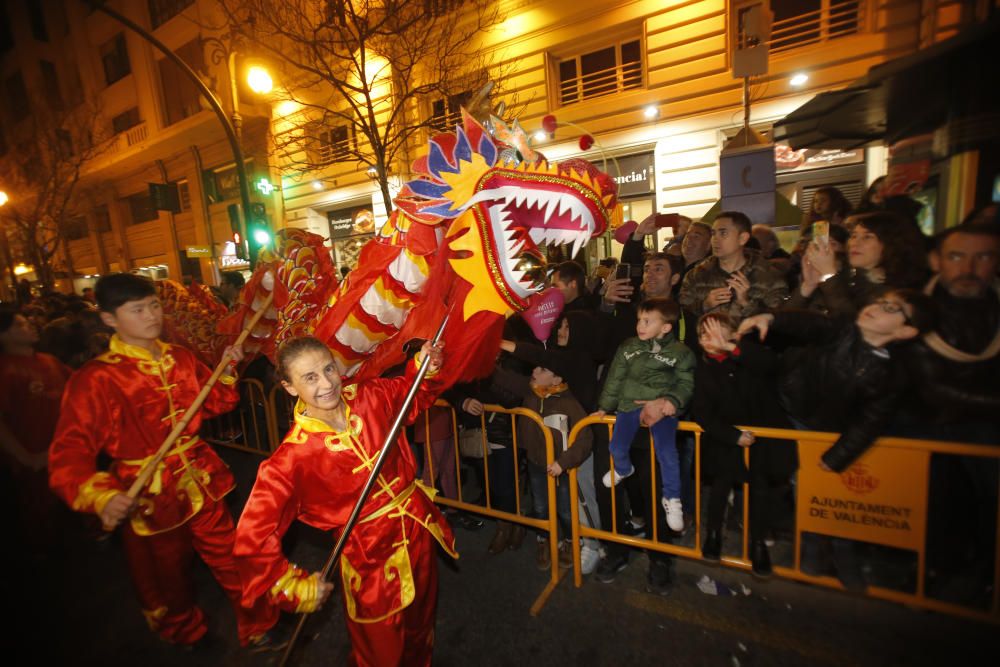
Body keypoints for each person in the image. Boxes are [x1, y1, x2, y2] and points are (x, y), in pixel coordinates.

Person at [47, 273, 279, 649]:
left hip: (200, 478)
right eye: (137, 309)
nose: (151, 315)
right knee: (168, 575)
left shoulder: (180, 357)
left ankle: (257, 623)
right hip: (151, 496)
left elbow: (216, 404)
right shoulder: (98, 379)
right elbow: (68, 453)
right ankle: (186, 631)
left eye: (153, 305)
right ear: (109, 318)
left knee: (231, 554)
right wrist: (101, 496)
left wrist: (226, 370)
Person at [234, 336, 455, 667]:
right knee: (380, 649)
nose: (326, 384)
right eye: (310, 378)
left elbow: (415, 396)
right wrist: (292, 584)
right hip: (370, 559)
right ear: (289, 387)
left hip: (418, 530)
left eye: (328, 369)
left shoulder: (369, 396)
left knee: (421, 626)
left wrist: (426, 366)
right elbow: (252, 537)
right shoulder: (289, 459)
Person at [738, 289, 936, 589]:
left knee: (837, 493)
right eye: (878, 300)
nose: (875, 307)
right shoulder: (842, 330)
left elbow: (870, 422)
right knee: (802, 485)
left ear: (906, 330)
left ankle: (843, 554)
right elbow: (810, 324)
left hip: (833, 432)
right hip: (791, 412)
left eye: (890, 308)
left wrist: (837, 457)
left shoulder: (892, 374)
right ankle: (811, 551)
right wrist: (771, 317)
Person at [692, 313, 796, 577]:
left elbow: (771, 365)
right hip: (725, 439)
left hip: (762, 439)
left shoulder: (748, 357)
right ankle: (713, 534)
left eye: (716, 332)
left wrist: (730, 347)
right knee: (720, 487)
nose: (710, 338)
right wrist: (731, 435)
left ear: (732, 334)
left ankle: (758, 543)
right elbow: (703, 413)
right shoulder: (701, 369)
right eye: (704, 334)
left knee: (760, 492)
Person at [594, 298, 695, 532]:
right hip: (629, 406)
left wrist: (672, 400)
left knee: (667, 454)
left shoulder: (681, 352)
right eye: (639, 320)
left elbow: (686, 383)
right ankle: (622, 468)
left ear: (666, 327)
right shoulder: (628, 347)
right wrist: (605, 405)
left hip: (661, 411)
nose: (640, 325)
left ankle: (672, 499)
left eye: (647, 321)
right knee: (616, 448)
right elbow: (615, 377)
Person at [490, 363, 595, 572]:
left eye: (543, 370)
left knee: (565, 509)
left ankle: (569, 541)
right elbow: (505, 379)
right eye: (536, 368)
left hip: (561, 468)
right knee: (540, 506)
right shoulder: (530, 392)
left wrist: (563, 462)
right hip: (536, 463)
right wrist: (485, 361)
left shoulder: (569, 402)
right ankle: (544, 540)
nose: (534, 372)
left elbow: (585, 437)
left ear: (557, 380)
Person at [0, 306, 72, 555]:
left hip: (66, 454)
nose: (30, 325)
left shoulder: (49, 361)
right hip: (34, 462)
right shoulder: (6, 370)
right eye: (19, 325)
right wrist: (25, 457)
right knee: (41, 525)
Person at [793, 211, 928, 317]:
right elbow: (782, 328)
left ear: (891, 244)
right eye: (854, 235)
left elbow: (851, 329)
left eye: (867, 237)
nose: (855, 243)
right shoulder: (846, 275)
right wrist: (807, 286)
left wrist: (829, 275)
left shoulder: (895, 294)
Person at [679, 211, 788, 325]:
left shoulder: (769, 276)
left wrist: (747, 303)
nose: (715, 239)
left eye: (723, 233)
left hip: (750, 342)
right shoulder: (696, 275)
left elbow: (780, 325)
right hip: (707, 342)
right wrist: (704, 305)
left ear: (743, 238)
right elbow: (681, 319)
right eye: (713, 233)